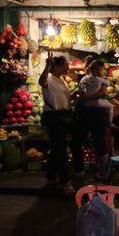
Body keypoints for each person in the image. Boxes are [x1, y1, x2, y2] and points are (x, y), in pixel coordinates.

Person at [38, 53, 75, 196]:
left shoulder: (62, 81)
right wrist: (47, 65)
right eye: (65, 66)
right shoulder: (48, 78)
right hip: (53, 118)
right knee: (60, 150)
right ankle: (65, 182)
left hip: (62, 117)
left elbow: (64, 98)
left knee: (56, 149)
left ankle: (51, 178)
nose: (67, 69)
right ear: (57, 66)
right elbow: (41, 82)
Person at [79, 59, 114, 126]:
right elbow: (107, 85)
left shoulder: (84, 78)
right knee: (110, 106)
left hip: (85, 103)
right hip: (95, 102)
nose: (103, 72)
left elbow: (81, 89)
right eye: (101, 70)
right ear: (95, 71)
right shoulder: (100, 79)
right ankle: (110, 123)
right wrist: (105, 79)